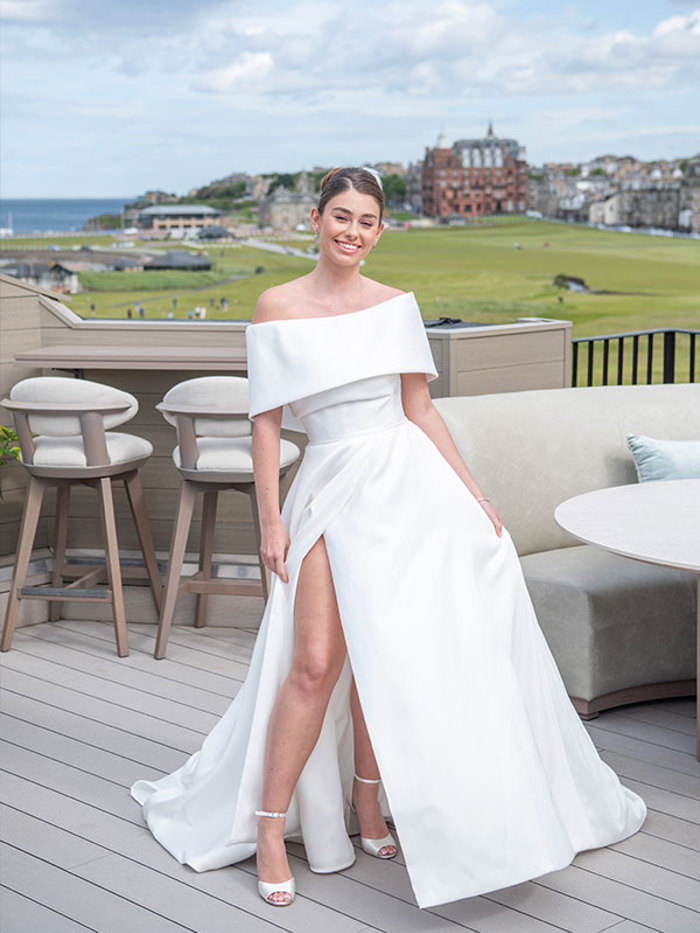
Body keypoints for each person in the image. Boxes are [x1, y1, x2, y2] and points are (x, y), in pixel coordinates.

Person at [131, 166, 646, 911]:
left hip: (407, 488)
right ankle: (270, 825)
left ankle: (369, 802)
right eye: (340, 216)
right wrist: (269, 519)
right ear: (314, 218)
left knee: (394, 652)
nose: (352, 231)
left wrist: (475, 495)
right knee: (314, 662)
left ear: (381, 229)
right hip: (330, 488)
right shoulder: (277, 306)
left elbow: (421, 411)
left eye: (366, 221)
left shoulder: (397, 305)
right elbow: (267, 424)